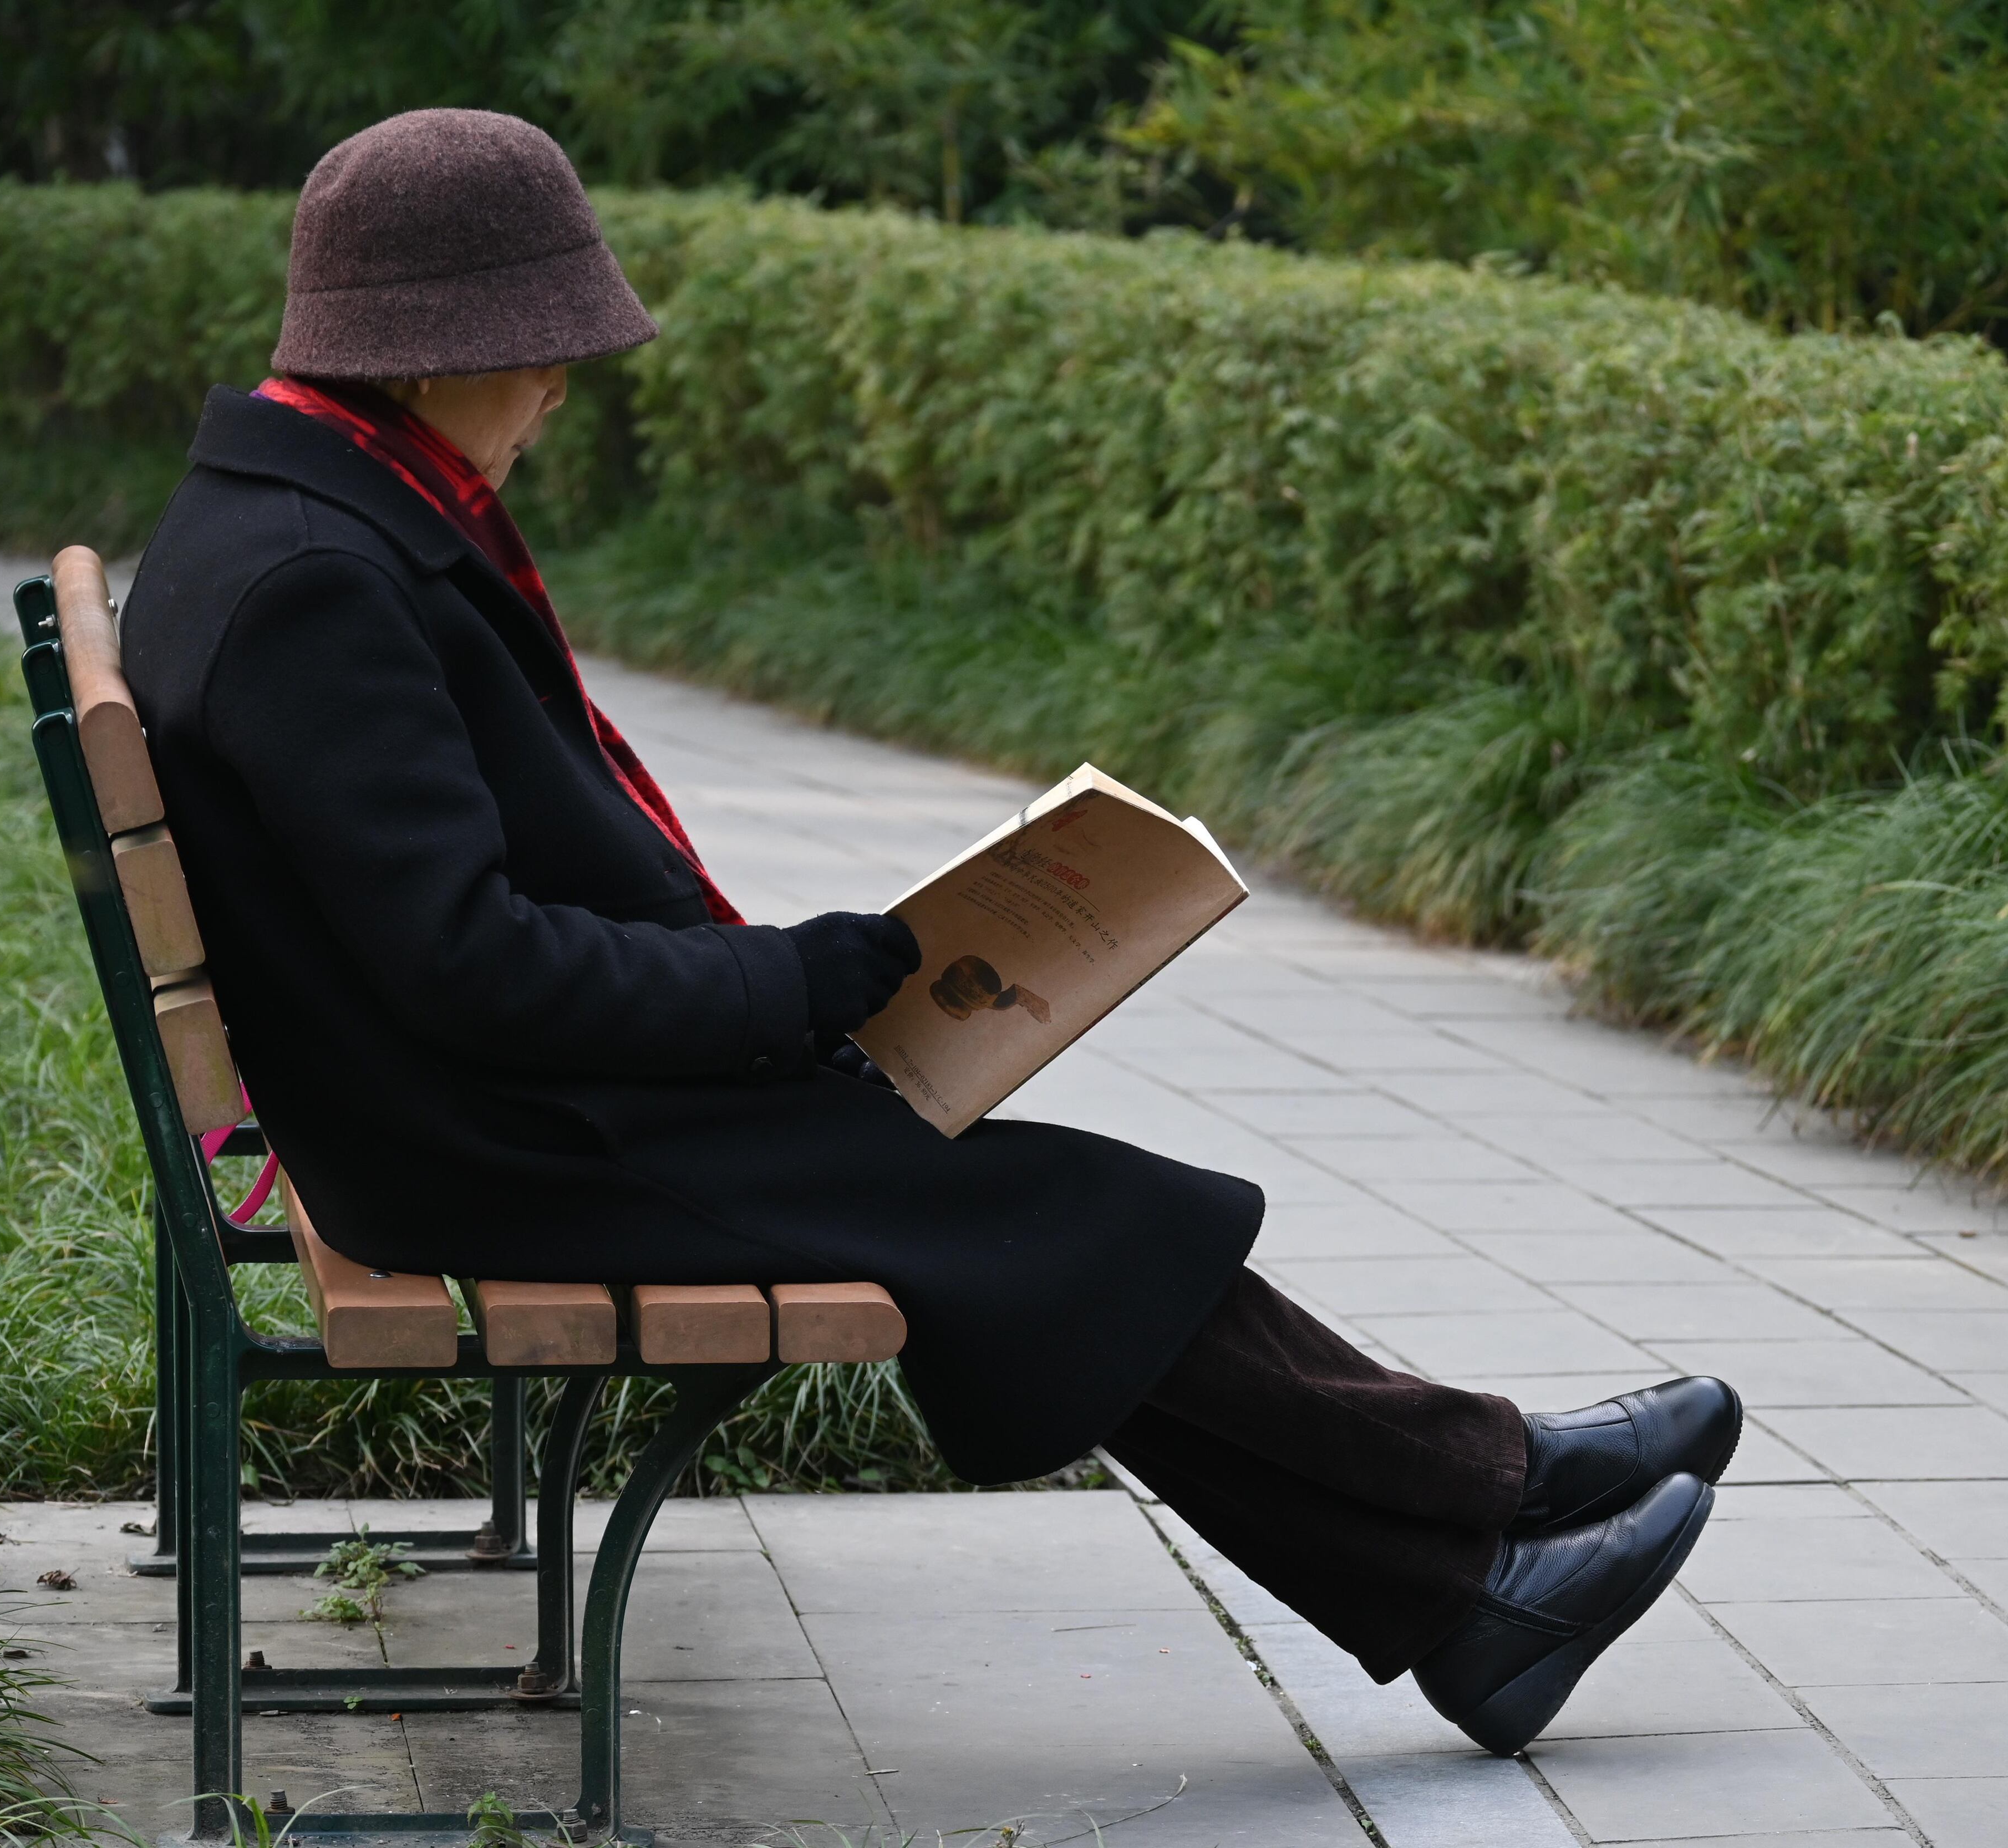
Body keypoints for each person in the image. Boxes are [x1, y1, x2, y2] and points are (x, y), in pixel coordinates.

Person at [118, 107, 1739, 1755]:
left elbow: (452, 944)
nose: (557, 391)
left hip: (485, 1103)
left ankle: (1477, 1584)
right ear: (443, 347)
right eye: (547, 354)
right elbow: (475, 965)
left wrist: (805, 988)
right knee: (1048, 1219)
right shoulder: (323, 577)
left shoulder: (300, 518)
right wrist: (794, 979)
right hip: (496, 1138)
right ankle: (1496, 1507)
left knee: (1044, 1219)